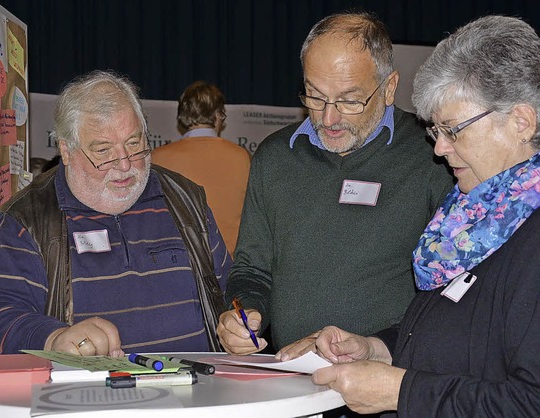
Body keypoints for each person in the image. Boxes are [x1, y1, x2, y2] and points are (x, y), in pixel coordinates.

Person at [279, 15, 540, 416]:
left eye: (453, 130)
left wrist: (402, 392)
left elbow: (528, 403)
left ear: (521, 122)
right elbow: (457, 335)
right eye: (437, 131)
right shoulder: (471, 218)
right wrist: (377, 348)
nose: (439, 149)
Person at [217, 11, 453, 355]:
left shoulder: (432, 158)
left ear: (388, 88)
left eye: (349, 100)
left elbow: (451, 294)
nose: (329, 118)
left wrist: (378, 346)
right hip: (294, 381)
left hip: (390, 383)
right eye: (315, 96)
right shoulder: (275, 157)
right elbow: (252, 269)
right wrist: (244, 313)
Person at [0, 70, 231, 361]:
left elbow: (229, 291)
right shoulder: (26, 220)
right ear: (66, 150)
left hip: (196, 396)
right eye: (104, 151)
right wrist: (52, 339)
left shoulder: (186, 201)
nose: (125, 165)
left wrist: (239, 325)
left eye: (133, 143)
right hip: (86, 401)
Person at [151, 81, 251, 256]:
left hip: (179, 263)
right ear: (218, 115)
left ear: (181, 116)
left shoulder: (158, 158)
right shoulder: (241, 157)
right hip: (230, 264)